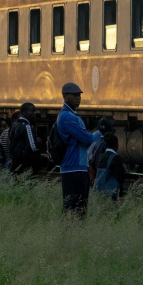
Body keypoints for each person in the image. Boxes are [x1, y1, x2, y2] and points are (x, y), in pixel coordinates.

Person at [56, 82, 99, 214]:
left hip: (79, 166)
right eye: (74, 95)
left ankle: (76, 231)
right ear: (65, 96)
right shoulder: (66, 117)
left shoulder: (74, 116)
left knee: (81, 206)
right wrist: (99, 133)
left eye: (79, 95)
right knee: (72, 206)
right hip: (72, 167)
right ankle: (70, 231)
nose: (78, 98)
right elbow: (86, 138)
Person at [9, 103, 45, 175]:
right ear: (24, 112)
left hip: (16, 161)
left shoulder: (15, 125)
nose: (35, 114)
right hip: (26, 163)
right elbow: (33, 147)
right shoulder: (27, 126)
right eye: (32, 111)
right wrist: (38, 143)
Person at [93, 133, 127, 199]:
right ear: (116, 145)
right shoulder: (116, 158)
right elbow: (120, 177)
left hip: (99, 190)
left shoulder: (101, 156)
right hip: (111, 193)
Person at [86, 116, 115, 182]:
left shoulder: (97, 136)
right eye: (112, 126)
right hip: (92, 168)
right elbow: (90, 156)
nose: (114, 129)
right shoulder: (98, 139)